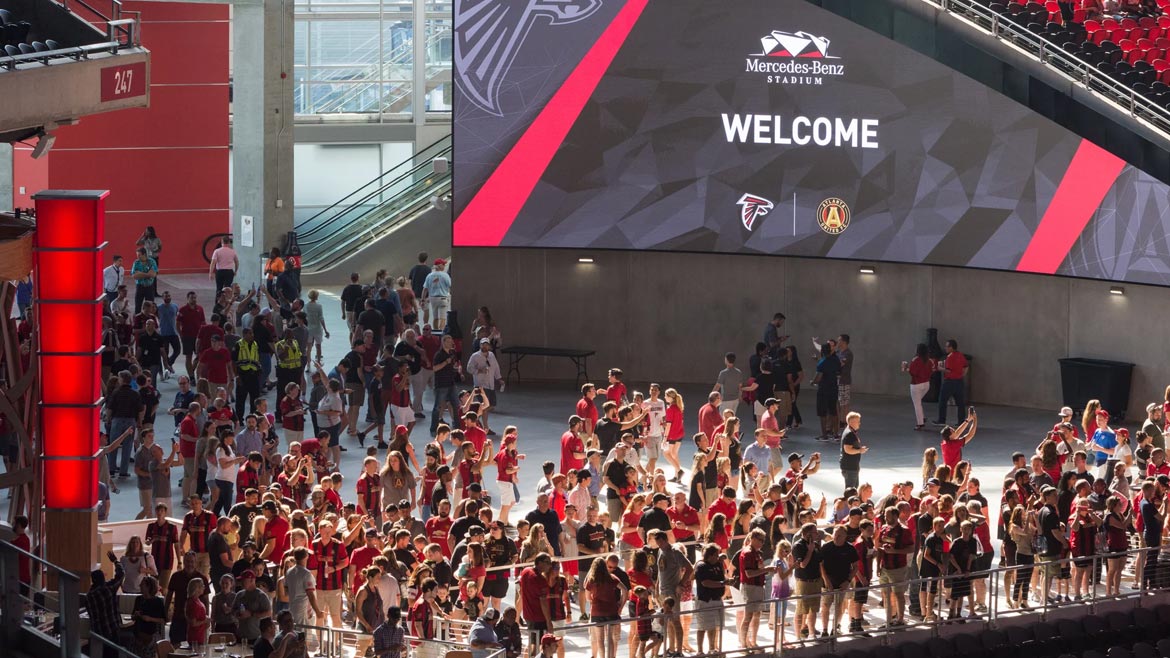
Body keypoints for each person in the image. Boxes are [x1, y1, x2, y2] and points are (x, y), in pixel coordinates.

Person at [85, 551, 125, 657]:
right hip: (112, 629)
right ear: (103, 579)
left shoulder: (89, 596)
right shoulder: (109, 589)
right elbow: (121, 575)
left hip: (98, 632)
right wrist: (115, 561)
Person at [935, 339, 968, 426]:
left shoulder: (950, 357)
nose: (945, 348)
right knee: (960, 403)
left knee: (942, 400)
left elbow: (949, 371)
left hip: (949, 382)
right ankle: (961, 421)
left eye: (947, 346)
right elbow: (966, 366)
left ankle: (941, 420)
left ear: (952, 347)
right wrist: (962, 375)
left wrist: (940, 368)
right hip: (959, 382)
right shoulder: (960, 355)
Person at [903, 343, 935, 430]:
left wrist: (906, 368)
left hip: (916, 385)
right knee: (918, 402)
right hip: (926, 384)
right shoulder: (929, 360)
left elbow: (912, 372)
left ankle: (920, 424)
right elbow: (932, 370)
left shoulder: (916, 360)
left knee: (917, 404)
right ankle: (922, 418)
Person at [839, 412, 867, 490]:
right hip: (849, 467)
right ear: (852, 422)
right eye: (858, 421)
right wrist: (859, 451)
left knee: (854, 487)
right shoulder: (849, 434)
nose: (859, 423)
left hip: (852, 466)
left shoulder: (850, 432)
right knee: (851, 489)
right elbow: (847, 449)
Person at [422, 258, 452, 331]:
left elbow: (425, 289)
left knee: (435, 318)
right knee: (443, 318)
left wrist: (423, 300)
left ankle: (435, 332)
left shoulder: (429, 276)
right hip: (443, 298)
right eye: (443, 265)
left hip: (433, 299)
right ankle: (441, 332)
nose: (444, 266)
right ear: (439, 265)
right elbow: (450, 286)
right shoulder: (445, 275)